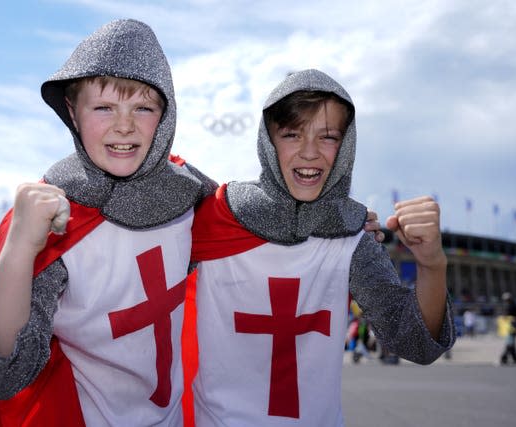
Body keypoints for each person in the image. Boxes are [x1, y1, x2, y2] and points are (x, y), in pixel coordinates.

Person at [0, 19, 217, 427]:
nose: (124, 125)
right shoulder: (52, 216)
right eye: (104, 107)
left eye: (143, 107)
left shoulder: (190, 194)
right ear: (72, 111)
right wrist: (20, 249)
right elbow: (3, 373)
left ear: (166, 114)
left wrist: (344, 221)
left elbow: (261, 230)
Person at [188, 69, 455, 425]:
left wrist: (432, 265)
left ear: (345, 146)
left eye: (327, 137)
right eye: (292, 134)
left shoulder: (352, 237)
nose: (310, 152)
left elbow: (417, 344)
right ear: (268, 140)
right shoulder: (215, 217)